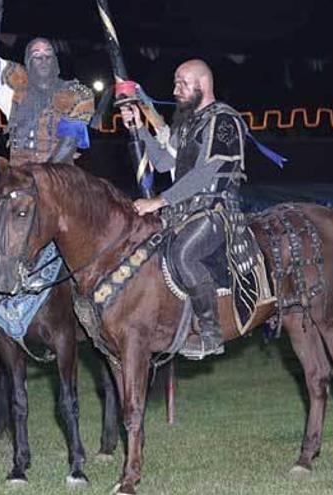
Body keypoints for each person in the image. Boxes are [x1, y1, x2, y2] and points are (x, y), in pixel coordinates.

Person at [120, 59, 248, 360]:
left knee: (183, 254)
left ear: (202, 84)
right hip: (183, 212)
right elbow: (165, 163)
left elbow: (206, 173)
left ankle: (210, 333)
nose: (175, 90)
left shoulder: (224, 120)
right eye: (176, 83)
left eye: (182, 83)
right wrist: (140, 129)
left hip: (216, 210)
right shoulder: (189, 123)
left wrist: (160, 200)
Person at [0, 0, 94, 166]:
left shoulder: (77, 93)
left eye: (48, 54)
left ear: (55, 60)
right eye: (36, 55)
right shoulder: (14, 88)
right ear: (28, 62)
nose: (43, 59)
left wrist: (43, 176)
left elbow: (69, 142)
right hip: (20, 175)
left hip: (60, 175)